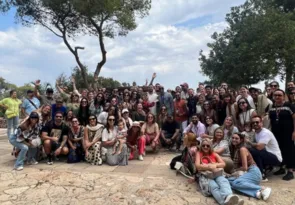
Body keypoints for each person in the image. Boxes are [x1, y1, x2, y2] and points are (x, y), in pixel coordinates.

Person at [195, 139, 243, 205]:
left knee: (223, 182)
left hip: (216, 173)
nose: (205, 147)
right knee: (214, 186)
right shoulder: (199, 153)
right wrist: (208, 167)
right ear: (201, 146)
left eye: (207, 145)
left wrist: (215, 165)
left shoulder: (214, 153)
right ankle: (226, 203)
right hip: (205, 175)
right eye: (203, 145)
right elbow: (197, 166)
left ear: (210, 146)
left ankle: (228, 196)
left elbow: (223, 164)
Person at [228, 133, 272, 201]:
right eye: (233, 138)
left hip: (253, 172)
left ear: (241, 140)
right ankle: (256, 193)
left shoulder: (242, 149)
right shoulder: (235, 149)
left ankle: (263, 189)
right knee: (228, 181)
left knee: (236, 183)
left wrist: (234, 171)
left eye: (236, 138)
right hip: (246, 174)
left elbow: (245, 168)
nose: (234, 140)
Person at [269, 89, 295, 180]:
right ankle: (282, 168)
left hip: (288, 133)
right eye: (275, 95)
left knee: (289, 150)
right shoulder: (272, 107)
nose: (277, 97)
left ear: (284, 96)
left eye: (279, 95)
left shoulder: (289, 106)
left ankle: (290, 171)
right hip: (276, 133)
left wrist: (294, 131)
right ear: (273, 97)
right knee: (279, 150)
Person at [247, 116, 282, 181]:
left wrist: (249, 142)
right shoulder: (256, 132)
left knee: (254, 151)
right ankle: (266, 168)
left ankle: (261, 174)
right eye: (253, 123)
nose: (255, 124)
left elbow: (259, 147)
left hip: (275, 158)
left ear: (261, 123)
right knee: (253, 151)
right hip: (268, 154)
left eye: (257, 122)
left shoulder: (265, 133)